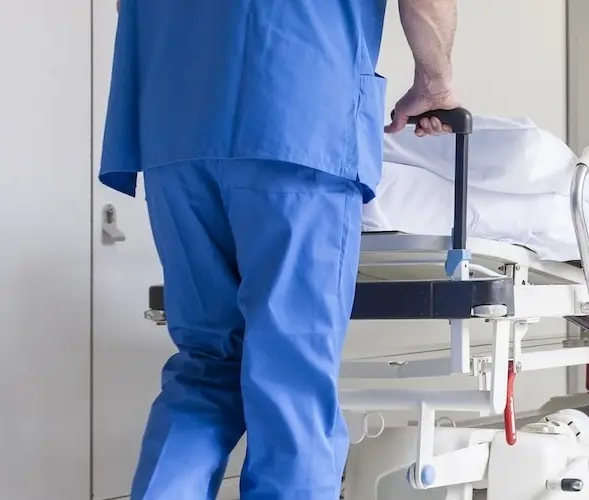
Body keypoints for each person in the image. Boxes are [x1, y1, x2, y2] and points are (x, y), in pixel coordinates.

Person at [97, 0, 462, 497]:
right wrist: (435, 82)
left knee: (206, 364)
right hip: (297, 120)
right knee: (291, 373)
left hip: (173, 128)